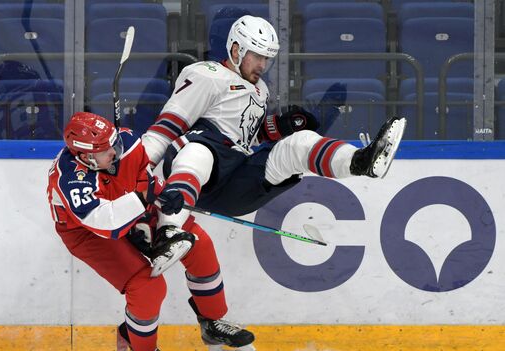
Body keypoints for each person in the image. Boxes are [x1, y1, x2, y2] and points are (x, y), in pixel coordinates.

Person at [47, 112, 256, 351]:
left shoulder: (127, 142)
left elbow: (143, 181)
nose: (116, 151)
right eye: (106, 150)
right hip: (87, 232)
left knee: (198, 243)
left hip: (127, 203)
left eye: (114, 143)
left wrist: (160, 197)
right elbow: (105, 223)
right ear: (86, 157)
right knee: (147, 285)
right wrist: (141, 208)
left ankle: (213, 322)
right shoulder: (71, 180)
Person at [140, 14, 406, 227]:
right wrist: (136, 169)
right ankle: (169, 231)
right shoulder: (206, 74)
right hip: (198, 175)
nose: (263, 64)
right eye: (257, 55)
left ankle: (362, 162)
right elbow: (167, 126)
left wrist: (282, 127)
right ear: (236, 49)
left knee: (298, 145)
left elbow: (248, 134)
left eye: (267, 57)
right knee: (200, 151)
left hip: (236, 180)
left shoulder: (260, 90)